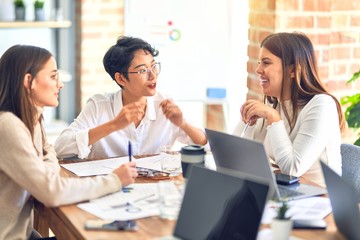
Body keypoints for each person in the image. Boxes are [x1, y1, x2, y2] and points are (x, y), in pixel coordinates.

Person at [0, 45, 138, 240]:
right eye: (53, 76)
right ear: (29, 81)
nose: (60, 84)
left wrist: (44, 177)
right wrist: (115, 180)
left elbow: (50, 158)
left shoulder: (32, 119)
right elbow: (51, 191)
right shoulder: (8, 126)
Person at [54, 36, 207, 160]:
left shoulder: (165, 104)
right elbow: (61, 148)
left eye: (153, 66)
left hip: (153, 189)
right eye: (142, 71)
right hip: (109, 189)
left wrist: (183, 123)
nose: (153, 75)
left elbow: (205, 144)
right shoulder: (99, 106)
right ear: (121, 79)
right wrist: (114, 125)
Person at [233, 32, 344, 187]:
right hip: (286, 193)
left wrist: (273, 118)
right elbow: (237, 156)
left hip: (320, 202)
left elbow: (292, 169)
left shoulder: (321, 105)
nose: (258, 69)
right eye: (259, 62)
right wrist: (248, 124)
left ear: (293, 70)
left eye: (266, 62)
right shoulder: (275, 105)